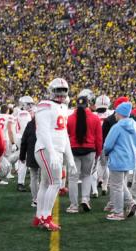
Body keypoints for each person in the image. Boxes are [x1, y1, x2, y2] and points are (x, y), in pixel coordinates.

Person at [32, 78, 74, 232]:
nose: (61, 94)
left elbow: (64, 135)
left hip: (55, 149)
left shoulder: (62, 108)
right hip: (47, 149)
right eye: (58, 91)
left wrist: (69, 158)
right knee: (55, 183)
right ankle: (46, 217)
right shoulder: (45, 106)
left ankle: (39, 216)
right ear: (51, 91)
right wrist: (52, 153)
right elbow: (43, 131)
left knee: (45, 183)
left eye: (64, 91)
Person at [102, 101, 136, 221]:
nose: (115, 115)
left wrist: (106, 153)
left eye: (116, 113)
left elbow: (108, 144)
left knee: (117, 186)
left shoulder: (117, 126)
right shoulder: (135, 125)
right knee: (121, 183)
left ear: (119, 113)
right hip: (130, 159)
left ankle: (118, 212)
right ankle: (130, 202)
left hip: (118, 158)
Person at [66, 94, 103, 213]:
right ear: (88, 105)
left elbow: (65, 137)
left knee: (73, 178)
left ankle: (73, 205)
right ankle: (85, 199)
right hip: (89, 150)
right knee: (87, 175)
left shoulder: (70, 118)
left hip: (74, 150)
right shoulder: (95, 118)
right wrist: (98, 152)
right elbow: (99, 138)